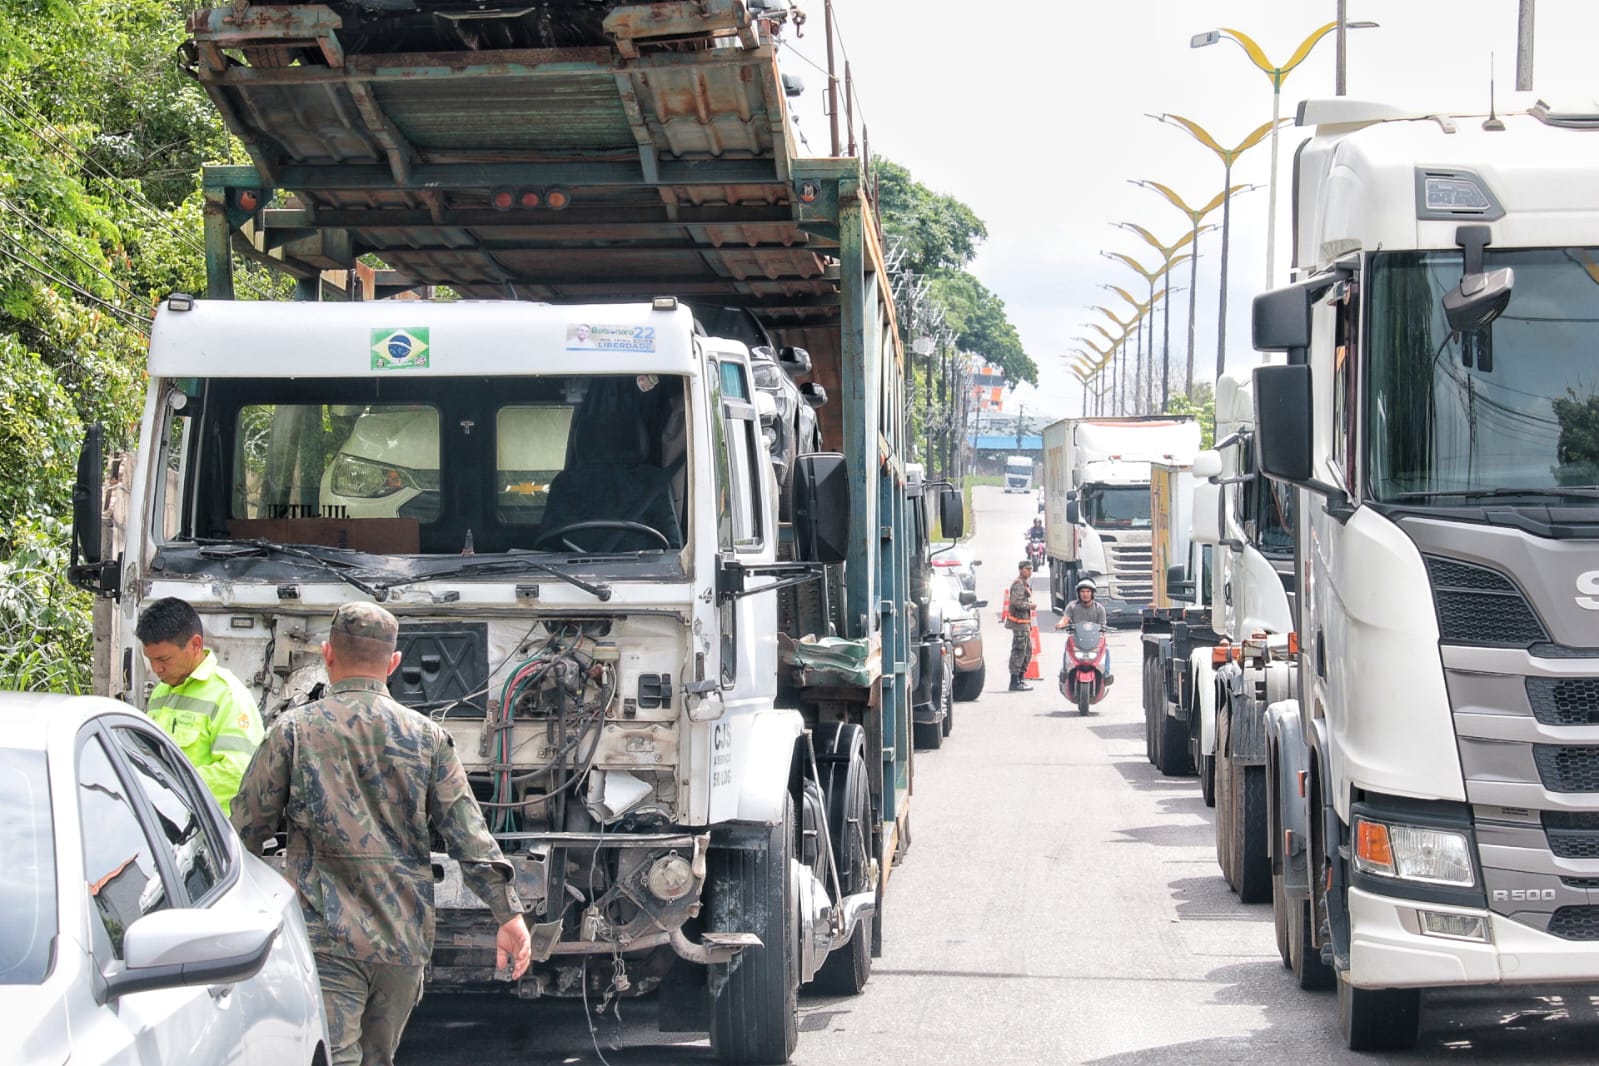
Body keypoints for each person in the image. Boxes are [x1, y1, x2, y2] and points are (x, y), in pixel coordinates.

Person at [231, 602, 532, 1066]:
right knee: (377, 1058)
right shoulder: (429, 738)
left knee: (333, 1056)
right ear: (394, 663)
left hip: (324, 938)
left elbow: (247, 828)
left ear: (327, 654)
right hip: (401, 941)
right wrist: (507, 914)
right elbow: (469, 835)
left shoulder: (291, 731)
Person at [135, 597, 263, 817]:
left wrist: (170, 787)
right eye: (150, 659)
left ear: (195, 645)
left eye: (164, 659)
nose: (156, 669)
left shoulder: (228, 695)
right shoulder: (160, 692)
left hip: (208, 836)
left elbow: (239, 774)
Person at [1055, 577, 1113, 683]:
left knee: (1106, 649)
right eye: (1082, 591)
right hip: (1076, 639)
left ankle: (1107, 673)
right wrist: (1061, 624)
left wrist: (1103, 630)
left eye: (1088, 591)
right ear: (1078, 593)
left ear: (1092, 593)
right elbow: (1065, 618)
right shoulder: (1072, 606)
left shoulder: (1099, 608)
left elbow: (1102, 627)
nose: (1085, 594)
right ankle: (1064, 672)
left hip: (1094, 640)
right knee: (1067, 647)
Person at [1006, 559, 1036, 691]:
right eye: (1027, 569)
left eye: (1031, 569)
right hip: (1019, 624)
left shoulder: (1024, 584)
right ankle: (1014, 681)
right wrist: (1031, 606)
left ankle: (1021, 678)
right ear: (1021, 569)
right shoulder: (1018, 584)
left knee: (1027, 651)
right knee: (1019, 652)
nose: (1030, 572)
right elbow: (1016, 603)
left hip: (1024, 625)